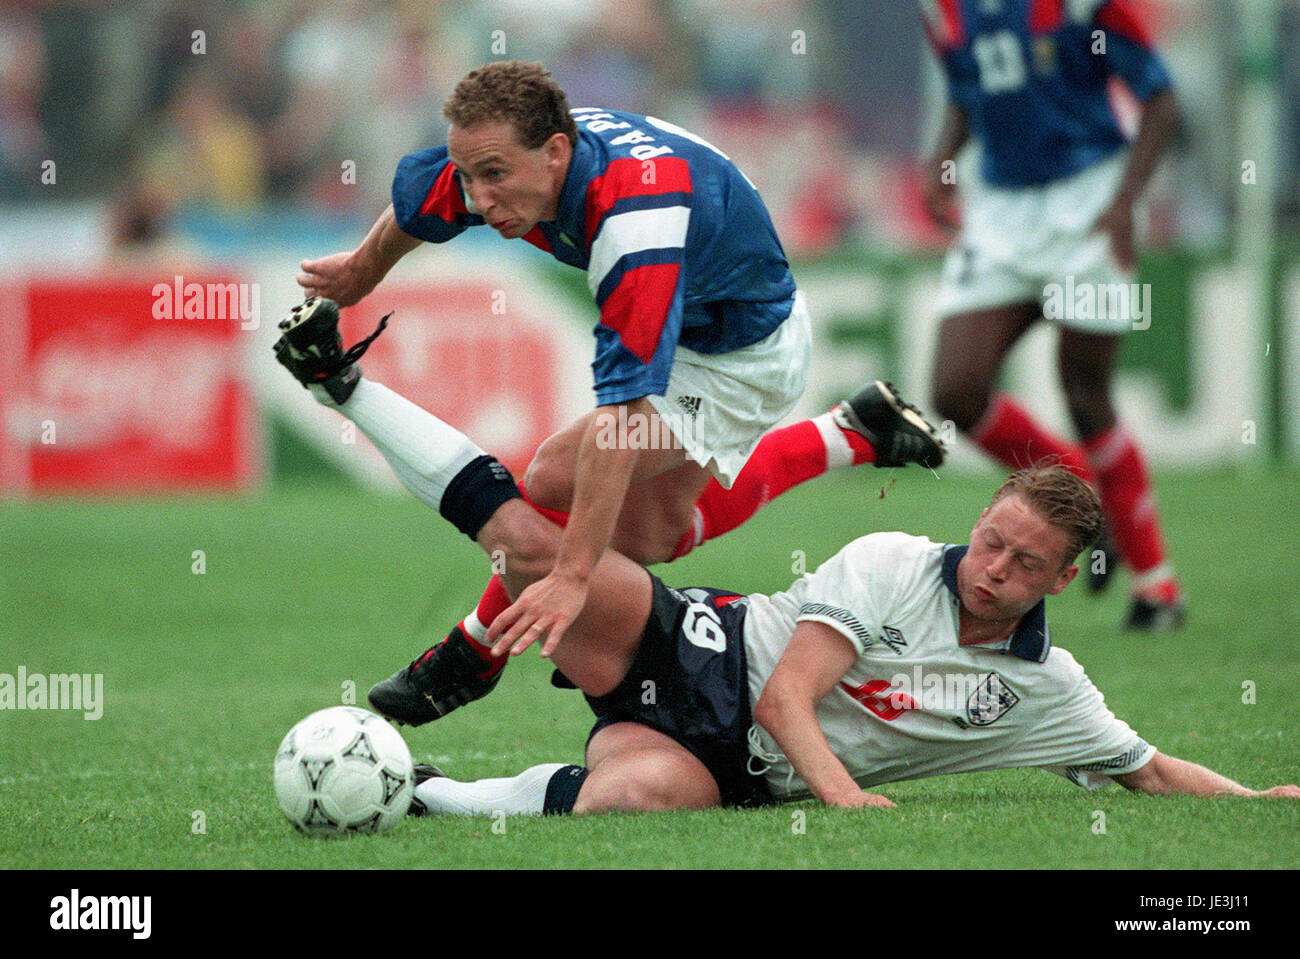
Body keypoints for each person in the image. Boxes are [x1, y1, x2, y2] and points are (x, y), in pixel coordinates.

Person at [269, 319, 1297, 814]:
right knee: (535, 531)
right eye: (990, 538)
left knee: (626, 804)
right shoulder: (897, 560)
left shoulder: (1045, 688)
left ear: (1060, 582)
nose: (989, 568)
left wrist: (1254, 804)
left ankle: (421, 795)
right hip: (690, 646)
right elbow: (784, 699)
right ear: (978, 517)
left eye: (1022, 563)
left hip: (728, 769)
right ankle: (344, 383)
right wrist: (847, 799)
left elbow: (1146, 767)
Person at [284, 60, 944, 721]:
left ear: (556, 153)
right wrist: (360, 273)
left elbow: (621, 424)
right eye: (470, 175)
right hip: (701, 318)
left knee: (552, 478)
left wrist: (572, 578)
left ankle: (476, 647)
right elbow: (427, 201)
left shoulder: (636, 227)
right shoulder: (509, 162)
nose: (479, 198)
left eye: (493, 176)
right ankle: (851, 432)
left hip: (741, 358)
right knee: (652, 533)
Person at [918, 0, 1184, 630]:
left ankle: (1157, 590)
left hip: (1092, 202)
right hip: (1001, 214)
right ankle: (1083, 496)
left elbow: (1162, 100)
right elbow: (971, 88)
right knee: (955, 391)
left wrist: (1126, 204)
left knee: (1085, 392)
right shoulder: (943, 10)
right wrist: (942, 162)